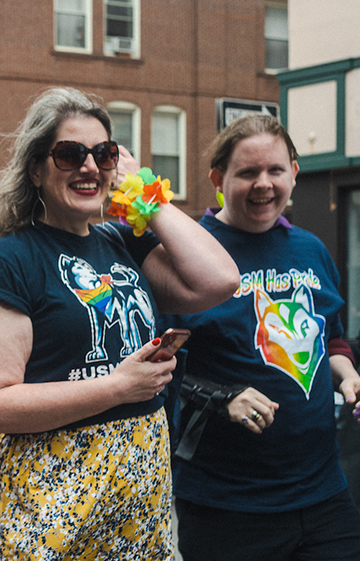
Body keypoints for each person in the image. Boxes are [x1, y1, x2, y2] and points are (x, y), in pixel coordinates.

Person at [0, 87, 239, 559]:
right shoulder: (7, 261)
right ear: (36, 169)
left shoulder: (121, 243)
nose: (89, 167)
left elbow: (219, 280)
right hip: (48, 501)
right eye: (70, 154)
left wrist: (146, 199)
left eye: (104, 154)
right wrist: (116, 387)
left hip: (138, 497)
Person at [170, 114, 360, 560]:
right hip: (227, 506)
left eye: (275, 170)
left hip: (323, 494)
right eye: (247, 172)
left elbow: (329, 338)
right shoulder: (187, 254)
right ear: (218, 178)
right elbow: (159, 366)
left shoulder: (311, 250)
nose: (264, 184)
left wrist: (348, 375)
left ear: (294, 173)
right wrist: (222, 397)